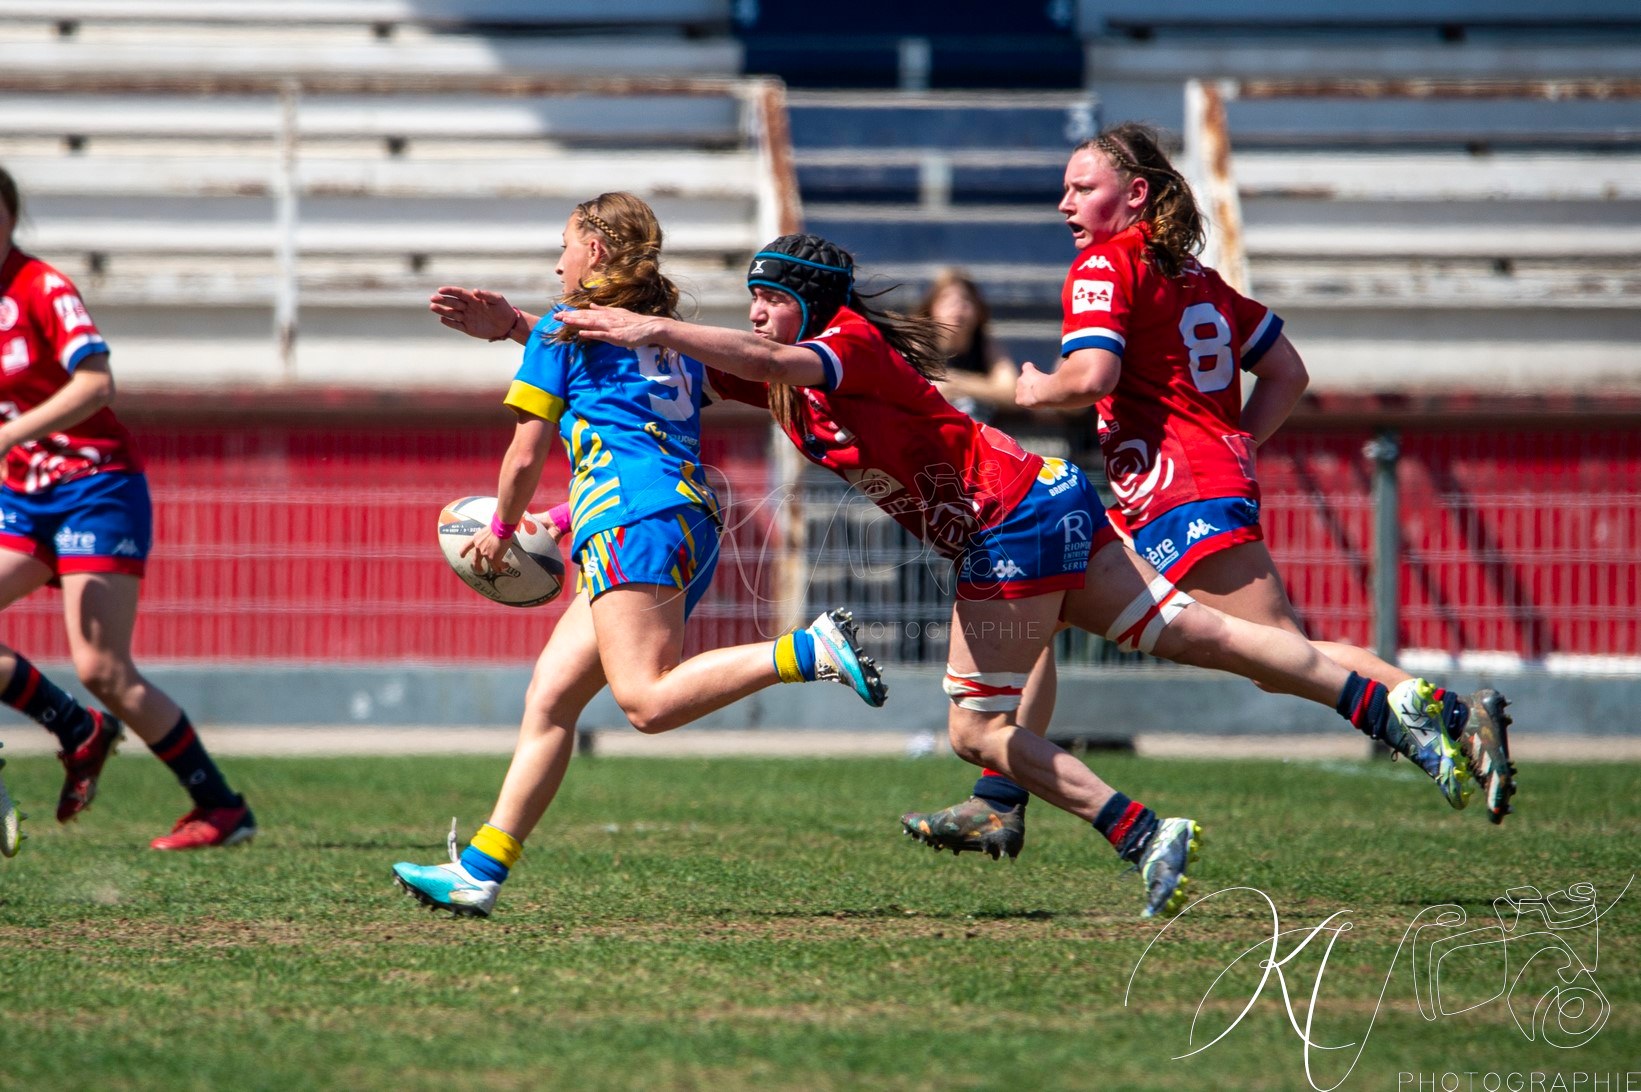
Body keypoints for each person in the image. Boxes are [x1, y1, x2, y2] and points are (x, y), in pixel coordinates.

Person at [560, 233, 1502, 919]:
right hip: (1041, 501)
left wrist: (648, 321)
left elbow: (758, 353)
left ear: (807, 299)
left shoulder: (841, 343)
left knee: (975, 728)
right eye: (752, 297)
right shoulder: (779, 370)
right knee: (1192, 633)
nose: (754, 311)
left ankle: (1140, 831)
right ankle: (1401, 708)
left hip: (1008, 521)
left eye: (767, 296)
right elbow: (694, 366)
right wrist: (527, 326)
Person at [897, 125, 1519, 860]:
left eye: (1081, 188)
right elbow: (1287, 371)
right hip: (1188, 481)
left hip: (1176, 490)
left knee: (1277, 656)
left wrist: (1035, 388)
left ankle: (1450, 713)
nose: (1064, 203)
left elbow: (1091, 375)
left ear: (1133, 195)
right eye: (1064, 188)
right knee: (1045, 605)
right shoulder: (1192, 275)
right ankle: (998, 799)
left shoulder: (1104, 264)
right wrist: (1237, 444)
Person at [391, 194, 887, 918]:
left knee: (646, 703)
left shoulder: (562, 329)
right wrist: (560, 515)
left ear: (593, 249)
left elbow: (527, 451)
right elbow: (631, 430)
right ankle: (480, 870)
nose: (555, 262)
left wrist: (501, 528)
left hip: (636, 523)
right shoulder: (662, 337)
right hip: (668, 515)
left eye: (562, 245)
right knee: (552, 697)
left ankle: (804, 651)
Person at [0, 165, 255, 849]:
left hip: (95, 485)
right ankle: (72, 726)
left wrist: (9, 435)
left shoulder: (42, 288)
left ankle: (221, 807)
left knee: (103, 668)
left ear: (9, 216)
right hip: (23, 494)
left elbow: (96, 381)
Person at [918, 269, 1017, 423]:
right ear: (931, 308)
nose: (957, 309)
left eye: (965, 300)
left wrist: (955, 383)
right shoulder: (919, 344)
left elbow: (1010, 393)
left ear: (978, 311)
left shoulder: (986, 345)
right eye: (946, 300)